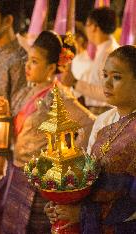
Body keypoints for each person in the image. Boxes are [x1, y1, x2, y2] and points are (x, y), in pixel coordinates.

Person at [0, 30, 95, 233]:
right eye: (28, 60)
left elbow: (90, 124)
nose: (28, 66)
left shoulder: (59, 96)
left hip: (40, 181)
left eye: (35, 62)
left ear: (50, 67)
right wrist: (2, 112)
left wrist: (65, 159)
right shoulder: (27, 90)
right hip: (17, 174)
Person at [45, 45, 136, 233]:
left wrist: (83, 213)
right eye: (105, 75)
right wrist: (61, 204)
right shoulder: (103, 121)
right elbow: (86, 174)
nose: (107, 84)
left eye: (117, 77)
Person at [62, 7, 119, 115]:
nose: (86, 30)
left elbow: (109, 92)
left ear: (94, 27)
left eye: (87, 25)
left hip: (102, 112)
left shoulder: (110, 55)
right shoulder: (103, 51)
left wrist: (75, 82)